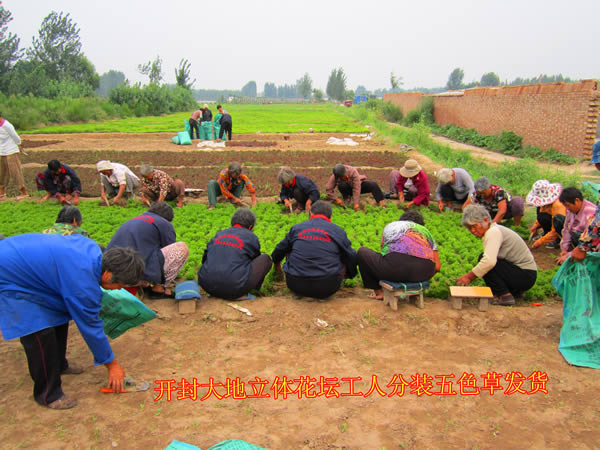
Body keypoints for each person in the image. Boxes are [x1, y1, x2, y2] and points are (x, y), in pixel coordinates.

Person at [0, 235, 144, 409]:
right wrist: (111, 365)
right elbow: (90, 325)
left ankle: (59, 364)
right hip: (10, 276)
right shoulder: (82, 281)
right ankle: (48, 394)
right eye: (120, 285)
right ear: (108, 274)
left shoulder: (94, 253)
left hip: (25, 266)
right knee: (39, 330)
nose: (120, 289)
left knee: (58, 314)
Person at [271, 200, 358, 299]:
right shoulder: (337, 230)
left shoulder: (297, 228)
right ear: (330, 217)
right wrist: (350, 275)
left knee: (290, 246)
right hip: (328, 286)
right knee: (342, 252)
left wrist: (277, 265)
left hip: (296, 284)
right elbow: (351, 256)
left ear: (311, 213)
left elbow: (279, 250)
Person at [457, 204, 537, 306]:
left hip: (525, 275)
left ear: (485, 220)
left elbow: (489, 262)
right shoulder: (494, 230)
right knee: (487, 260)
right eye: (469, 228)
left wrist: (469, 277)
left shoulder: (493, 232)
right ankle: (514, 292)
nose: (472, 231)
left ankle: (504, 296)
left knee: (486, 261)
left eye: (474, 226)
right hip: (526, 275)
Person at [106, 202, 189, 298]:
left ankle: (143, 283)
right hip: (131, 278)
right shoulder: (164, 223)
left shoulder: (134, 220)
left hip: (110, 277)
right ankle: (158, 289)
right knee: (181, 248)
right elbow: (169, 247)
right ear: (167, 218)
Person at [357, 210, 441, 300]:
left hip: (394, 269)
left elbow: (383, 252)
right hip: (423, 273)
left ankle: (379, 292)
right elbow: (437, 267)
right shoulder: (426, 232)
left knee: (362, 252)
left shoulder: (392, 226)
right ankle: (414, 290)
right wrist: (420, 276)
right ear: (421, 225)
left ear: (401, 220)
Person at [198, 208, 272, 300]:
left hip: (207, 285)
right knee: (265, 259)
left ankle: (218, 287)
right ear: (250, 227)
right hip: (234, 288)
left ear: (232, 223)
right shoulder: (251, 237)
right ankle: (252, 290)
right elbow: (254, 260)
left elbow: (205, 258)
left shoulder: (219, 234)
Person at [556, 187, 597, 265]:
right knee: (559, 220)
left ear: (577, 201)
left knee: (576, 234)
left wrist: (570, 255)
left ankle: (584, 257)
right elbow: (566, 229)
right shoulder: (570, 211)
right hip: (582, 240)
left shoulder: (591, 212)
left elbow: (590, 238)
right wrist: (564, 250)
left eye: (568, 205)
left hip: (591, 244)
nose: (567, 208)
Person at [526, 180, 566, 249]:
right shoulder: (546, 204)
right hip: (554, 221)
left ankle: (557, 239)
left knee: (557, 221)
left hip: (564, 226)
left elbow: (557, 227)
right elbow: (542, 213)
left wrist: (540, 241)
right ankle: (546, 233)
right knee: (541, 215)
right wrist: (536, 226)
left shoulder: (558, 205)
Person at [0, 114, 28, 200]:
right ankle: (1, 192)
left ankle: (24, 193)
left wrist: (19, 145)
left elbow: (15, 137)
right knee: (2, 172)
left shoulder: (7, 125)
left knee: (15, 172)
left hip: (11, 150)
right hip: (1, 151)